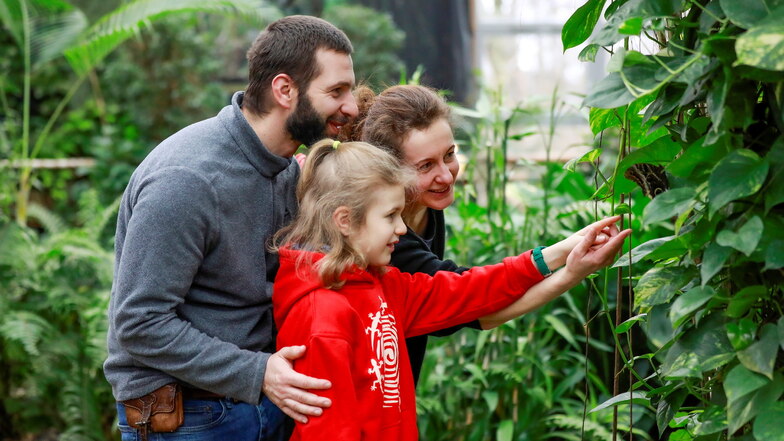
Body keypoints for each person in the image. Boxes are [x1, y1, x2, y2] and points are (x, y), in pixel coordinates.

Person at [105, 16, 359, 440]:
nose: (350, 107)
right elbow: (139, 323)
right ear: (284, 90)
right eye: (336, 92)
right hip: (189, 418)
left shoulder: (286, 167)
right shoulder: (187, 179)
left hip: (262, 401)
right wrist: (257, 371)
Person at [272, 139, 630, 441]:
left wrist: (565, 252)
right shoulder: (321, 316)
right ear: (345, 221)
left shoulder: (383, 287)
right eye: (390, 216)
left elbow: (468, 290)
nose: (401, 228)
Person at [345, 84, 623, 383]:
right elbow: (466, 302)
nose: (446, 174)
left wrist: (573, 265)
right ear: (390, 170)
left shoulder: (427, 203)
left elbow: (472, 309)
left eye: (449, 154)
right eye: (425, 165)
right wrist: (565, 255)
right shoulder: (383, 239)